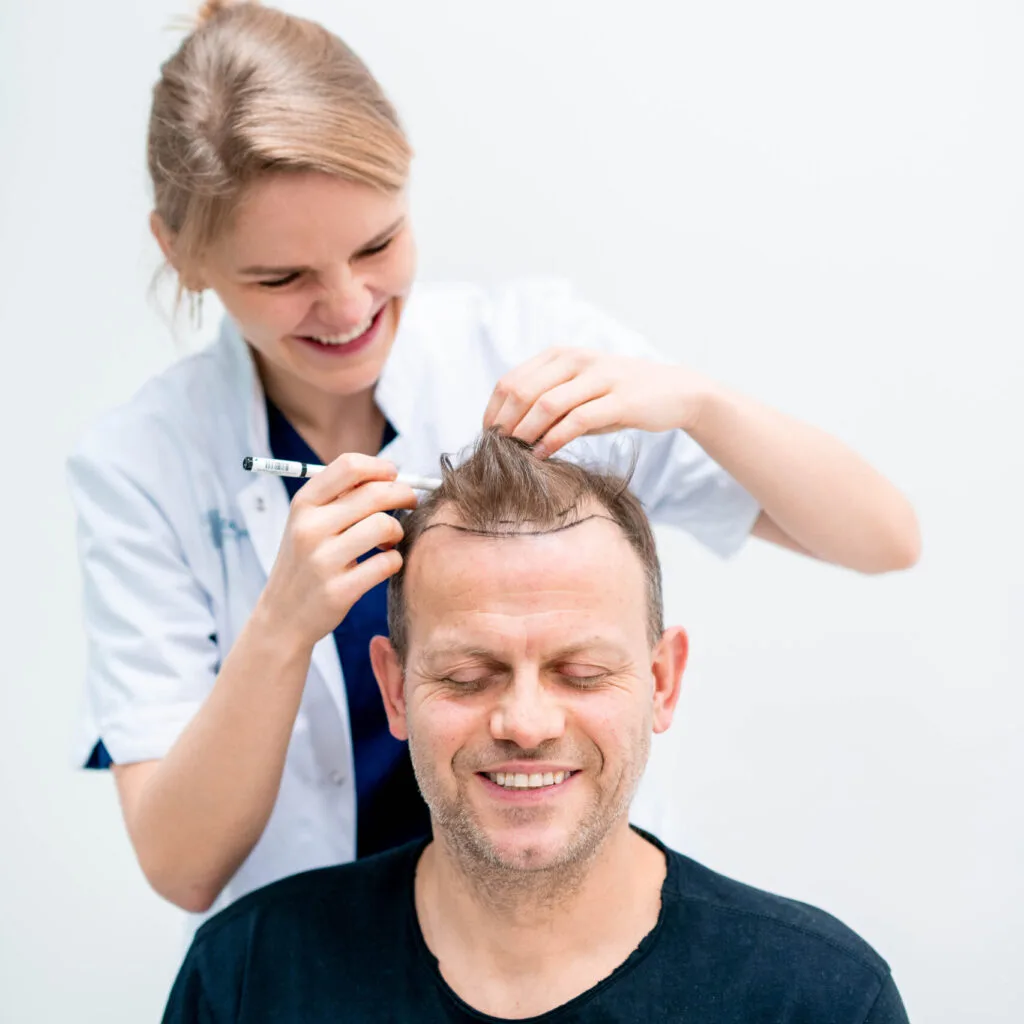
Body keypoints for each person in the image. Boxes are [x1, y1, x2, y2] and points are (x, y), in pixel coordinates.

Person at [68, 0, 921, 933]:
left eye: (378, 244)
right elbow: (182, 867)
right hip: (318, 962)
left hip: (573, 932)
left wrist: (701, 404)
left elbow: (884, 540)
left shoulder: (530, 347)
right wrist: (281, 626)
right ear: (179, 254)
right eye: (283, 279)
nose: (348, 303)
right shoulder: (143, 465)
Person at [161, 430, 910, 1024]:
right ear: (393, 690)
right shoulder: (249, 976)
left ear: (662, 681)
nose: (524, 723)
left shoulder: (818, 999)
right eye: (466, 676)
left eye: (581, 673)